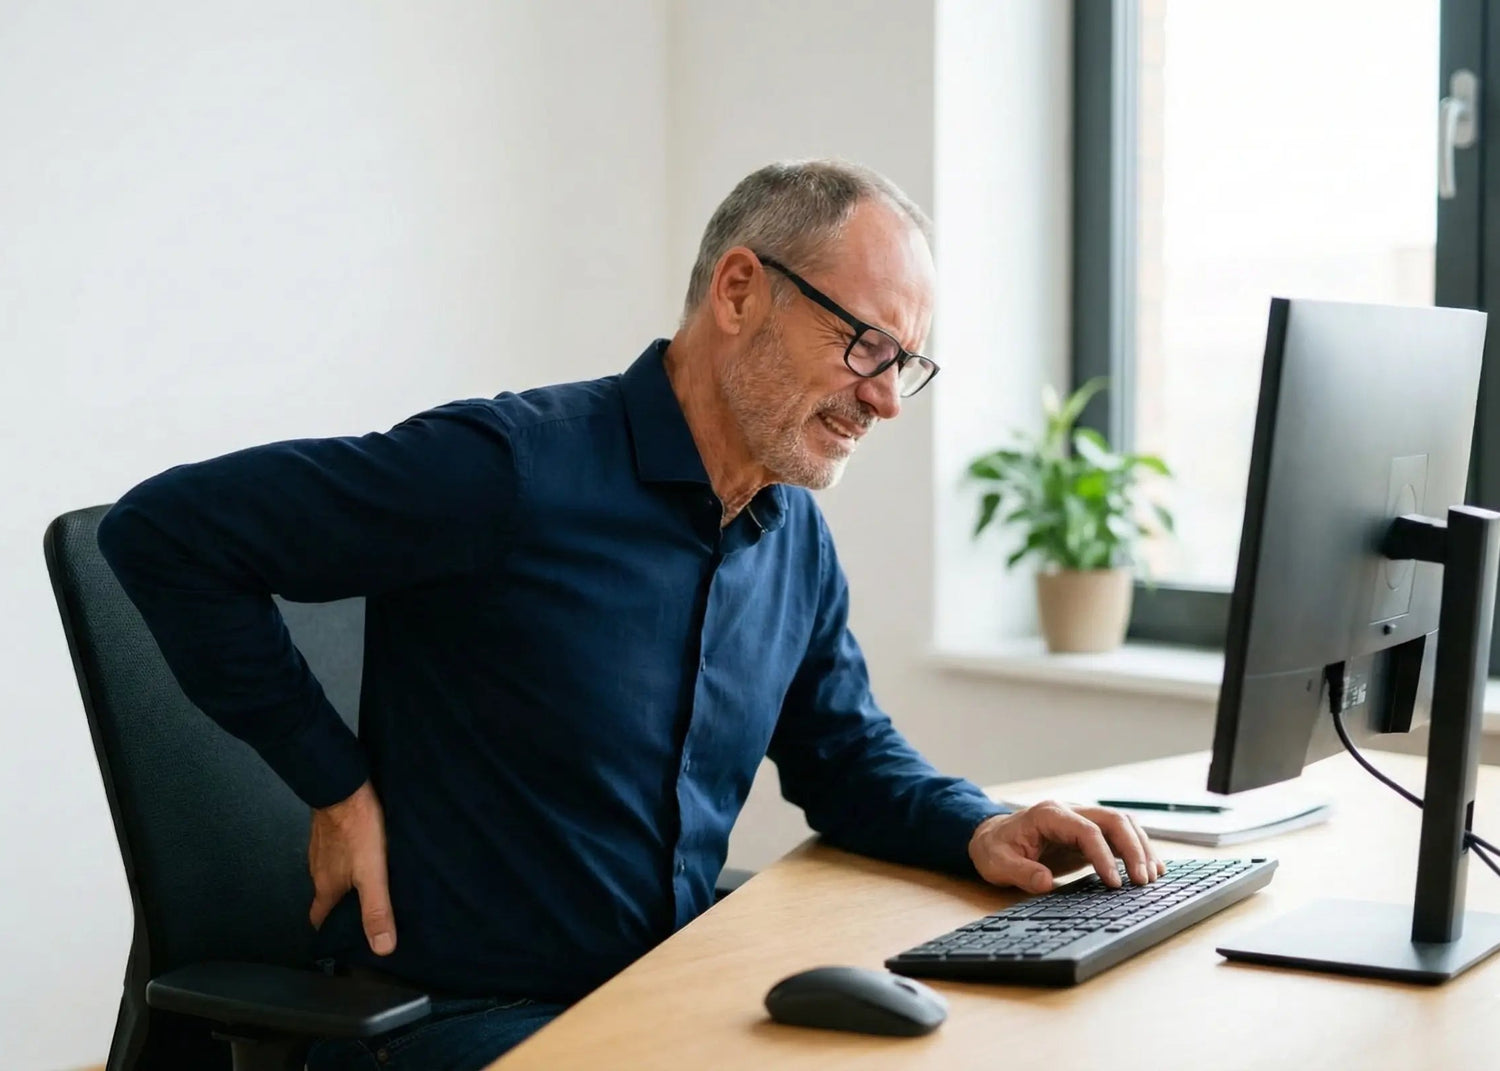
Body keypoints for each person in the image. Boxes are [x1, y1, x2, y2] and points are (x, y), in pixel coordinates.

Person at [98, 160, 1164, 1071]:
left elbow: (843, 754)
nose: (885, 399)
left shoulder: (790, 535)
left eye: (906, 366)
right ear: (741, 291)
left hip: (657, 998)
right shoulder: (506, 473)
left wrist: (976, 824)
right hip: (455, 1022)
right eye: (865, 346)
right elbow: (166, 532)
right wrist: (333, 781)